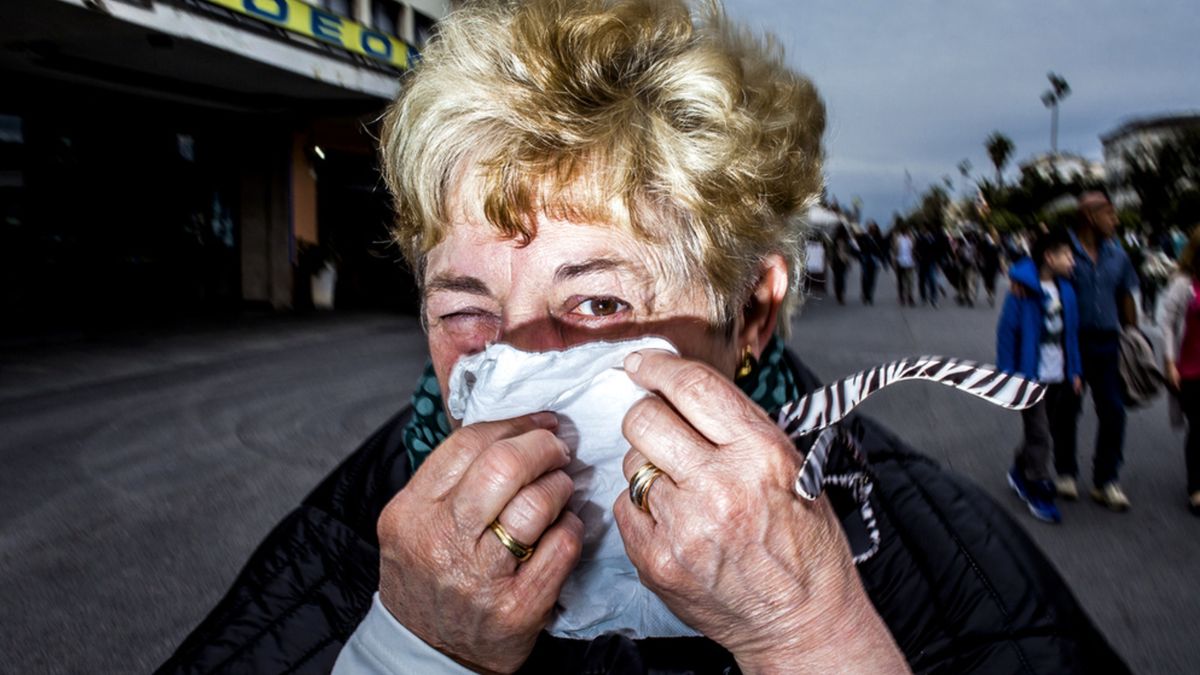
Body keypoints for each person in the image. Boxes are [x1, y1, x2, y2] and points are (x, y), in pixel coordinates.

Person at [155, 2, 1127, 673]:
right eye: (467, 308)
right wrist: (413, 649)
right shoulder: (361, 528)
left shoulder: (937, 557)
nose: (521, 360)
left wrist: (807, 635)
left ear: (751, 313)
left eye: (597, 304)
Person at [1055, 192, 1139, 511]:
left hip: (1108, 343)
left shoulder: (1119, 255)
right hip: (1071, 344)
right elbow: (1033, 269)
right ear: (1090, 217)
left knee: (1114, 411)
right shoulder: (1063, 249)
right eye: (1109, 214)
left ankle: (1106, 480)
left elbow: (1126, 295)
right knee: (1067, 409)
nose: (1115, 220)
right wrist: (1021, 281)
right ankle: (1066, 472)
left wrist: (1132, 336)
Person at [996, 228, 1082, 523]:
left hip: (1058, 374)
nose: (1072, 261)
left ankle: (1019, 470)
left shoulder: (1067, 290)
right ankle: (1038, 485)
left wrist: (1075, 371)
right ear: (1049, 257)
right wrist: (1007, 373)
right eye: (1066, 255)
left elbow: (1071, 336)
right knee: (1041, 434)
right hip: (1030, 375)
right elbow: (1007, 332)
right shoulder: (1022, 291)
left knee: (1042, 430)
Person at [1157, 226, 1200, 516]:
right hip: (1190, 369)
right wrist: (1170, 362)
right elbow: (1167, 324)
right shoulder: (1184, 284)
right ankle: (1196, 488)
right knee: (1199, 427)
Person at [857, 221, 884, 305]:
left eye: (874, 227)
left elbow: (881, 249)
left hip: (874, 260)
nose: (872, 229)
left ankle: (869, 296)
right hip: (865, 259)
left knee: (872, 279)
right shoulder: (864, 236)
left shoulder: (878, 238)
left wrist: (880, 258)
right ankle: (865, 294)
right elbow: (858, 245)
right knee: (865, 278)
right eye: (871, 227)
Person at [830, 224, 855, 304]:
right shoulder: (847, 239)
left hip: (836, 261)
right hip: (843, 261)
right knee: (842, 278)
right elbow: (850, 251)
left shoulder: (835, 239)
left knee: (837, 278)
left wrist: (830, 260)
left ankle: (838, 293)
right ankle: (840, 294)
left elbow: (832, 251)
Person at [892, 223, 916, 306]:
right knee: (901, 281)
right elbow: (894, 251)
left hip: (910, 262)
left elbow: (914, 249)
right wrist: (894, 262)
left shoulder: (911, 239)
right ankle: (901, 297)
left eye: (908, 230)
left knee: (910, 280)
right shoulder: (898, 239)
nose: (908, 232)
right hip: (900, 261)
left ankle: (910, 296)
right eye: (906, 230)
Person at [979, 227, 1003, 307]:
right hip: (988, 263)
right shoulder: (985, 241)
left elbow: (1000, 254)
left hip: (992, 264)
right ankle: (990, 294)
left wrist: (1002, 265)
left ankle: (991, 294)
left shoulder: (997, 242)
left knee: (990, 280)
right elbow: (980, 251)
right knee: (988, 281)